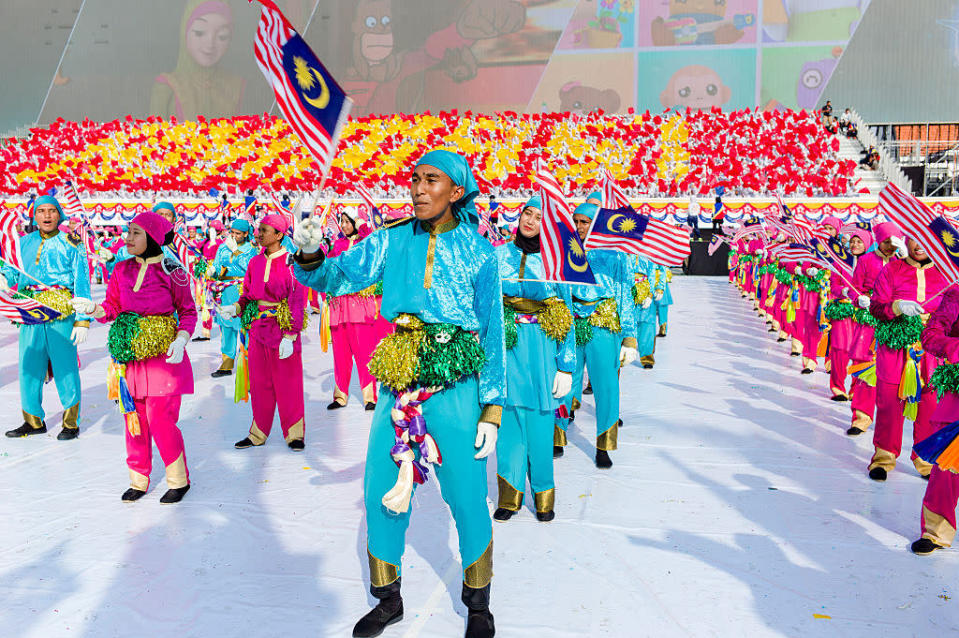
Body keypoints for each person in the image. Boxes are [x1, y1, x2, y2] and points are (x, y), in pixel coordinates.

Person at [293, 150, 504, 638]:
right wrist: (308, 253)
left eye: (432, 180)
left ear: (457, 192)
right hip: (399, 377)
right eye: (414, 179)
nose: (417, 188)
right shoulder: (390, 241)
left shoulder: (480, 251)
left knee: (468, 495)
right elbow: (336, 277)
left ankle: (478, 600)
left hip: (456, 384)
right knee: (379, 490)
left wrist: (491, 408)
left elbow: (492, 333)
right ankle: (388, 599)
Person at [71, 211, 196, 503]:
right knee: (134, 418)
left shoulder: (172, 270)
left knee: (160, 418)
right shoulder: (121, 270)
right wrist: (93, 310)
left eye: (135, 233)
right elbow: (112, 308)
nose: (127, 238)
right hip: (130, 358)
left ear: (152, 236)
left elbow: (188, 311)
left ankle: (179, 479)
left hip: (163, 356)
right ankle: (139, 479)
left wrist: (181, 338)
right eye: (128, 232)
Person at [493, 196, 574, 523]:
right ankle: (510, 496)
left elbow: (565, 309)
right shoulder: (498, 255)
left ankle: (543, 491)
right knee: (508, 419)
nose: (530, 220)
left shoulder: (558, 261)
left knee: (541, 422)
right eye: (528, 212)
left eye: (539, 216)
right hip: (506, 345)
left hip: (541, 347)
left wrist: (566, 365)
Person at [554, 203, 638, 469]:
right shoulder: (566, 250)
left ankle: (604, 444)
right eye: (576, 221)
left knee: (606, 386)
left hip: (603, 325)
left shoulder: (615, 254)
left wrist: (629, 336)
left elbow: (626, 295)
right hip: (571, 324)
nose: (579, 227)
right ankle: (558, 435)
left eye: (585, 222)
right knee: (565, 380)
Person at [2, 195, 91, 440]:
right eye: (41, 211)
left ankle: (71, 422)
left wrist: (82, 318)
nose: (47, 215)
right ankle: (33, 421)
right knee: (28, 367)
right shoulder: (23, 243)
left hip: (61, 310)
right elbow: (12, 270)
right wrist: (4, 278)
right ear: (35, 215)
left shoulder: (71, 242)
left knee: (65, 367)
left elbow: (81, 280)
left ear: (59, 213)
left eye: (52, 210)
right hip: (29, 310)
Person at [221, 215, 307, 451]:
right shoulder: (255, 263)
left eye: (264, 230)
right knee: (259, 383)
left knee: (288, 383)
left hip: (283, 329)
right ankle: (258, 432)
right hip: (258, 330)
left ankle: (294, 433)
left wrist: (290, 335)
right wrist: (236, 307)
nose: (258, 233)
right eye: (258, 229)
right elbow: (248, 294)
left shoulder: (292, 263)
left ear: (279, 235)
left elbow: (297, 300)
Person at [867, 237, 948, 481]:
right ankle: (883, 458)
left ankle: (925, 459)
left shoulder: (947, 273)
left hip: (931, 348)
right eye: (915, 239)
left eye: (927, 240)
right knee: (890, 403)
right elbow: (876, 307)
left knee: (930, 404)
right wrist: (898, 306)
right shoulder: (892, 269)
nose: (920, 245)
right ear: (906, 239)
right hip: (896, 348)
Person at [910, 287, 959, 554]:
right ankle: (935, 530)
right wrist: (956, 346)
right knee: (948, 468)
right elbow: (930, 336)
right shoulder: (956, 294)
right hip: (958, 395)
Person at [325, 211, 387, 411]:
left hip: (359, 304)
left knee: (364, 352)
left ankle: (370, 397)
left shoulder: (365, 242)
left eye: (347, 221)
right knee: (340, 352)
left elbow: (375, 241)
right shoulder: (338, 245)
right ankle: (340, 395)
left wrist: (362, 225)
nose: (343, 225)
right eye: (341, 221)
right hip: (339, 305)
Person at [846, 222, 902, 435]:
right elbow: (854, 288)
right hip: (870, 320)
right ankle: (861, 417)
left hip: (893, 323)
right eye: (887, 241)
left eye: (894, 242)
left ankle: (889, 423)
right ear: (879, 240)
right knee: (864, 367)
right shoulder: (867, 260)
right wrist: (858, 298)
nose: (890, 246)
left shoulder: (901, 262)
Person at [150, 0, 245, 120]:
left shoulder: (236, 87)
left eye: (222, 36)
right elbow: (153, 134)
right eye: (199, 33)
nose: (210, 44)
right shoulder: (168, 86)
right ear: (184, 31)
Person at [823, 227, 872, 401]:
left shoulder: (871, 263)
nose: (855, 245)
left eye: (859, 242)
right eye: (852, 241)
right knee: (840, 349)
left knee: (861, 351)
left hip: (862, 312)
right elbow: (833, 285)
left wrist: (867, 297)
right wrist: (843, 291)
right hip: (843, 310)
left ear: (866, 243)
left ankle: (856, 389)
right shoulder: (841, 262)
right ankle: (837, 387)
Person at [210, 218, 256, 377]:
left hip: (242, 290)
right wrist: (212, 271)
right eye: (233, 233)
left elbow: (249, 266)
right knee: (226, 327)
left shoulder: (251, 250)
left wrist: (235, 251)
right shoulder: (223, 247)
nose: (235, 236)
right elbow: (217, 265)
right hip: (226, 290)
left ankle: (250, 367)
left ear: (245, 234)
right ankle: (226, 363)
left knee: (245, 327)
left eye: (238, 234)